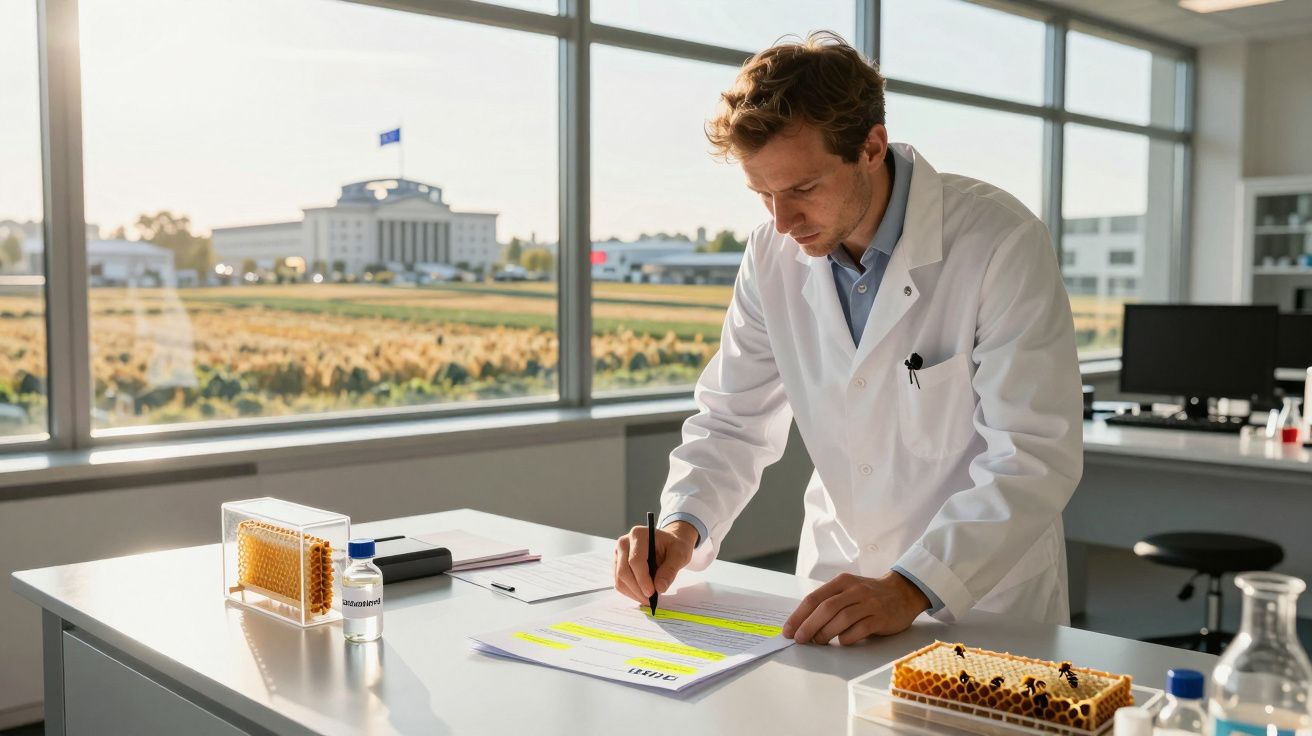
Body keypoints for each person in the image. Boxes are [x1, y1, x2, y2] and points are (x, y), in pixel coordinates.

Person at [612, 31, 1083, 645]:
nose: (782, 221)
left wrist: (910, 585)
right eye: (763, 194)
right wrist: (682, 526)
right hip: (837, 583)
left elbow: (1032, 453)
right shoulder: (771, 253)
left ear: (871, 147)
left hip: (981, 599)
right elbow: (733, 420)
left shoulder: (998, 240)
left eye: (802, 189)